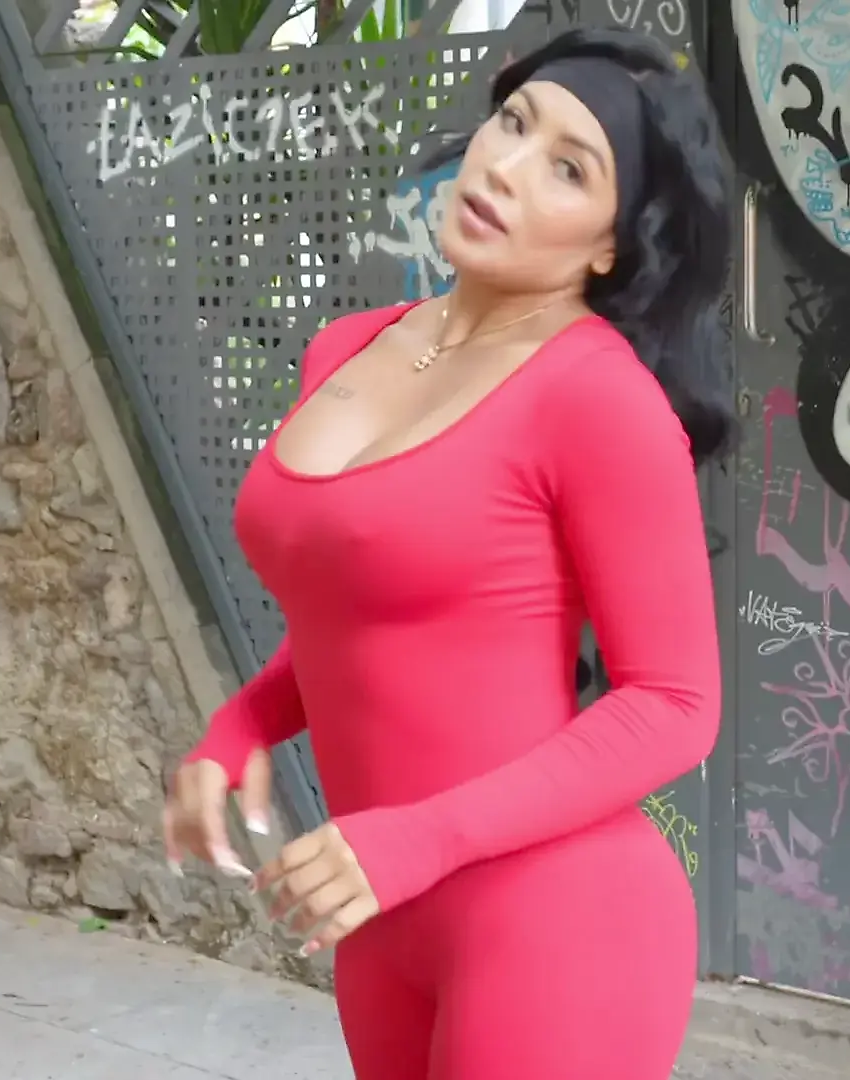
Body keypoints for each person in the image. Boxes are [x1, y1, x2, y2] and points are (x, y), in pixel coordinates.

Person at [161, 25, 734, 1080]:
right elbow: (363, 626)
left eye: (569, 169)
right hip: (377, 917)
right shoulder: (348, 346)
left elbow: (676, 703)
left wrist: (418, 839)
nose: (506, 168)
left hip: (555, 922)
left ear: (610, 246)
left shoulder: (598, 398)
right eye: (513, 123)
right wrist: (240, 725)